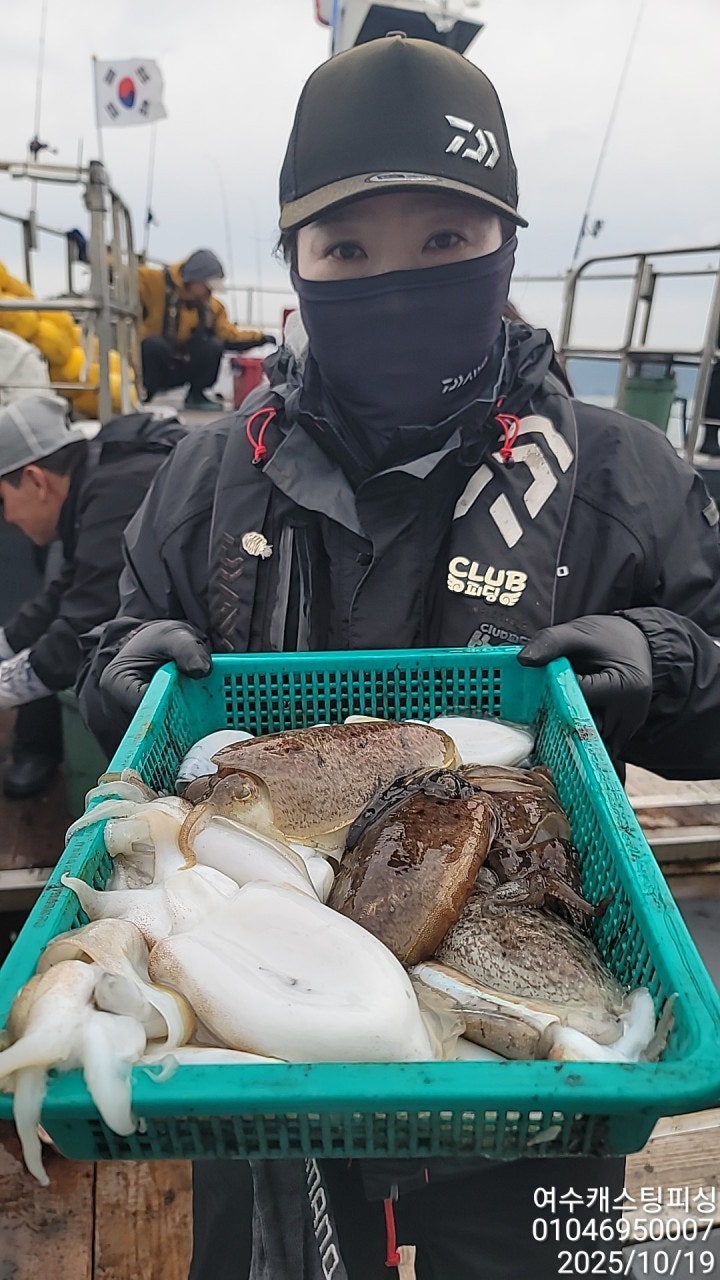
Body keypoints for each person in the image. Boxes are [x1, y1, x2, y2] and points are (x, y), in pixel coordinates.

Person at [78, 36, 720, 1280]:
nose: (397, 278)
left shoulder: (625, 477)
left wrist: (673, 664)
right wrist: (119, 679)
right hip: (268, 1082)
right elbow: (137, 680)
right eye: (347, 251)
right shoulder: (202, 479)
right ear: (298, 265)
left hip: (540, 1107)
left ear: (506, 244)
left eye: (444, 239)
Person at [0, 393, 187, 796]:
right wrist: (5, 644)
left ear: (35, 480)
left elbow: (83, 626)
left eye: (3, 501)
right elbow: (69, 587)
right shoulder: (103, 477)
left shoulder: (118, 493)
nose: (8, 517)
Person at [138, 249, 276, 410]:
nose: (211, 292)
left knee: (213, 346)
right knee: (152, 345)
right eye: (207, 287)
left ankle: (197, 394)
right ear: (194, 280)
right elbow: (125, 277)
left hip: (183, 366)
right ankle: (144, 393)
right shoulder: (152, 282)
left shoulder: (213, 307)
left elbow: (228, 335)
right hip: (155, 364)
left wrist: (261, 338)